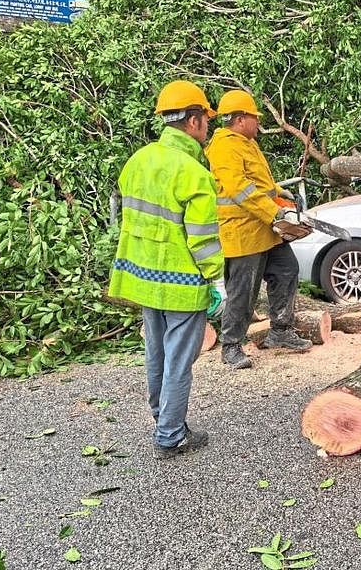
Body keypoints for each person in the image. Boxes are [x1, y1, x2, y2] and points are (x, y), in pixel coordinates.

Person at [108, 80, 226, 460]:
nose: (207, 127)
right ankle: (170, 435)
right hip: (182, 282)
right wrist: (215, 279)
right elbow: (203, 239)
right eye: (205, 120)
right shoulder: (194, 173)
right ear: (192, 121)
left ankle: (163, 418)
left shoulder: (138, 161)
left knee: (156, 354)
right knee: (179, 361)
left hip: (143, 279)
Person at [205, 89, 312, 369]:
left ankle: (280, 331)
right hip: (243, 232)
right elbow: (239, 189)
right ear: (241, 119)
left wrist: (281, 193)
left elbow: (260, 182)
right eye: (254, 118)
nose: (258, 123)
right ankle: (230, 346)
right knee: (243, 290)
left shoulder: (246, 142)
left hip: (265, 229)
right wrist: (275, 212)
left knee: (287, 270)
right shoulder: (224, 146)